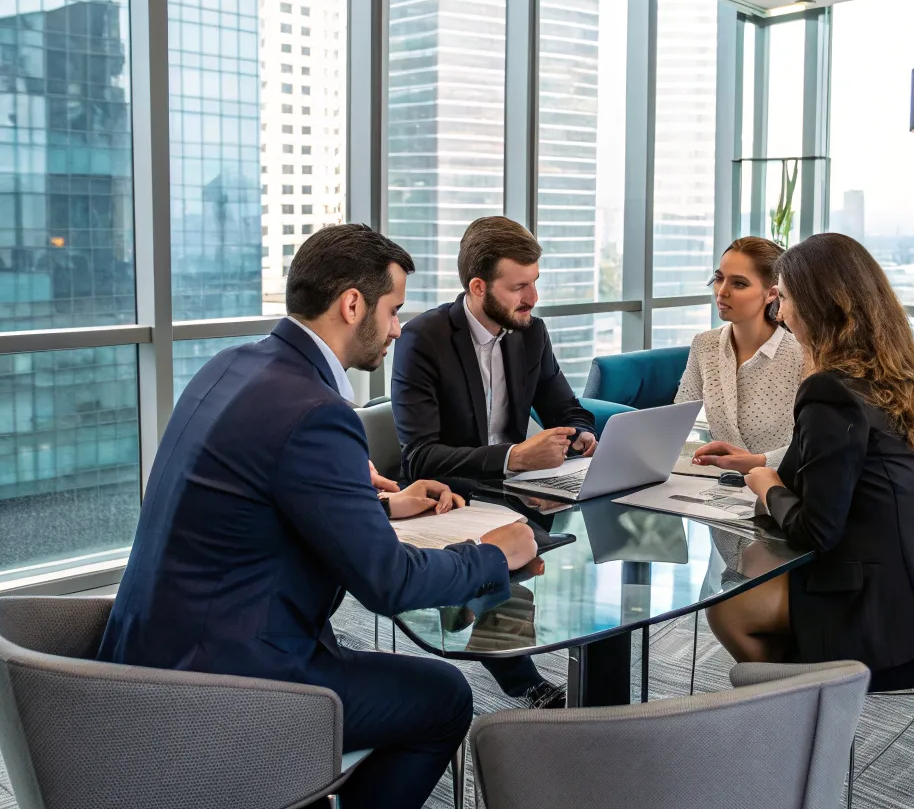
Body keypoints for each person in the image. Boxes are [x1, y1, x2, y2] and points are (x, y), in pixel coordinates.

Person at [98, 224, 538, 809]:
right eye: (391, 311)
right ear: (352, 304)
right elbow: (390, 583)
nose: (395, 329)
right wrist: (495, 553)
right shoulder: (317, 412)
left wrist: (379, 503)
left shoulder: (230, 365)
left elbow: (258, 496)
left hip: (146, 658)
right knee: (445, 695)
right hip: (228, 682)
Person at [704, 233, 914, 679]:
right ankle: (801, 716)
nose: (781, 313)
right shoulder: (895, 373)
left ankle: (804, 715)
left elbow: (817, 530)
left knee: (727, 610)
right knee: (754, 575)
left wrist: (767, 485)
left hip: (881, 622)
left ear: (815, 306)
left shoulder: (830, 389)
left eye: (785, 299)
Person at [391, 215, 597, 708]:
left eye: (535, 284)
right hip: (450, 492)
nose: (532, 298)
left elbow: (567, 408)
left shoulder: (531, 333)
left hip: (524, 488)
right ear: (478, 286)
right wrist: (513, 456)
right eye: (518, 287)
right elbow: (420, 455)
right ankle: (527, 685)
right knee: (517, 561)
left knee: (591, 546)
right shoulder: (423, 339)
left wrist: (581, 435)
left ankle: (490, 620)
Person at [675, 236, 804, 471]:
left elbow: (811, 446)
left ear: (771, 294)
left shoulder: (800, 355)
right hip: (717, 485)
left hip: (782, 485)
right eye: (719, 278)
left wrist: (761, 464)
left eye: (739, 284)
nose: (721, 292)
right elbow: (675, 422)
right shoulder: (704, 345)